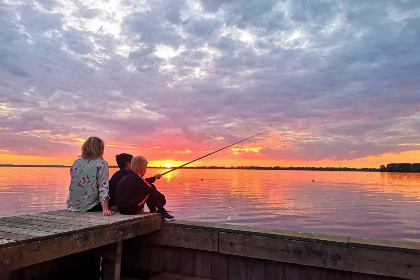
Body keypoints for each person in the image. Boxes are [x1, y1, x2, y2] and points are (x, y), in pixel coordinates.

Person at [115, 155, 174, 221]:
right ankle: (162, 212)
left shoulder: (127, 176)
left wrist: (154, 178)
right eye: (145, 168)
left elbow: (144, 181)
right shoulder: (138, 179)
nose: (145, 170)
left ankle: (153, 210)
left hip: (121, 209)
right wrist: (162, 201)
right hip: (129, 210)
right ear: (142, 169)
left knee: (147, 187)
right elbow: (152, 190)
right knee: (150, 189)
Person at [66, 136, 113, 216]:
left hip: (72, 206)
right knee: (114, 186)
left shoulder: (76, 163)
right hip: (89, 207)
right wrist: (105, 209)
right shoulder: (101, 163)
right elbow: (103, 187)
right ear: (100, 149)